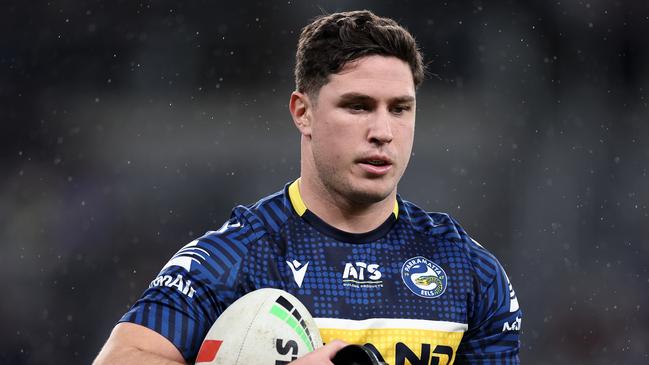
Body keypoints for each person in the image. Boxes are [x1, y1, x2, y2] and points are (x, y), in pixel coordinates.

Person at [93, 10, 522, 365]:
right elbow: (121, 358)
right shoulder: (234, 257)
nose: (382, 131)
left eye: (400, 109)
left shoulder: (472, 272)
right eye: (357, 106)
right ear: (304, 112)